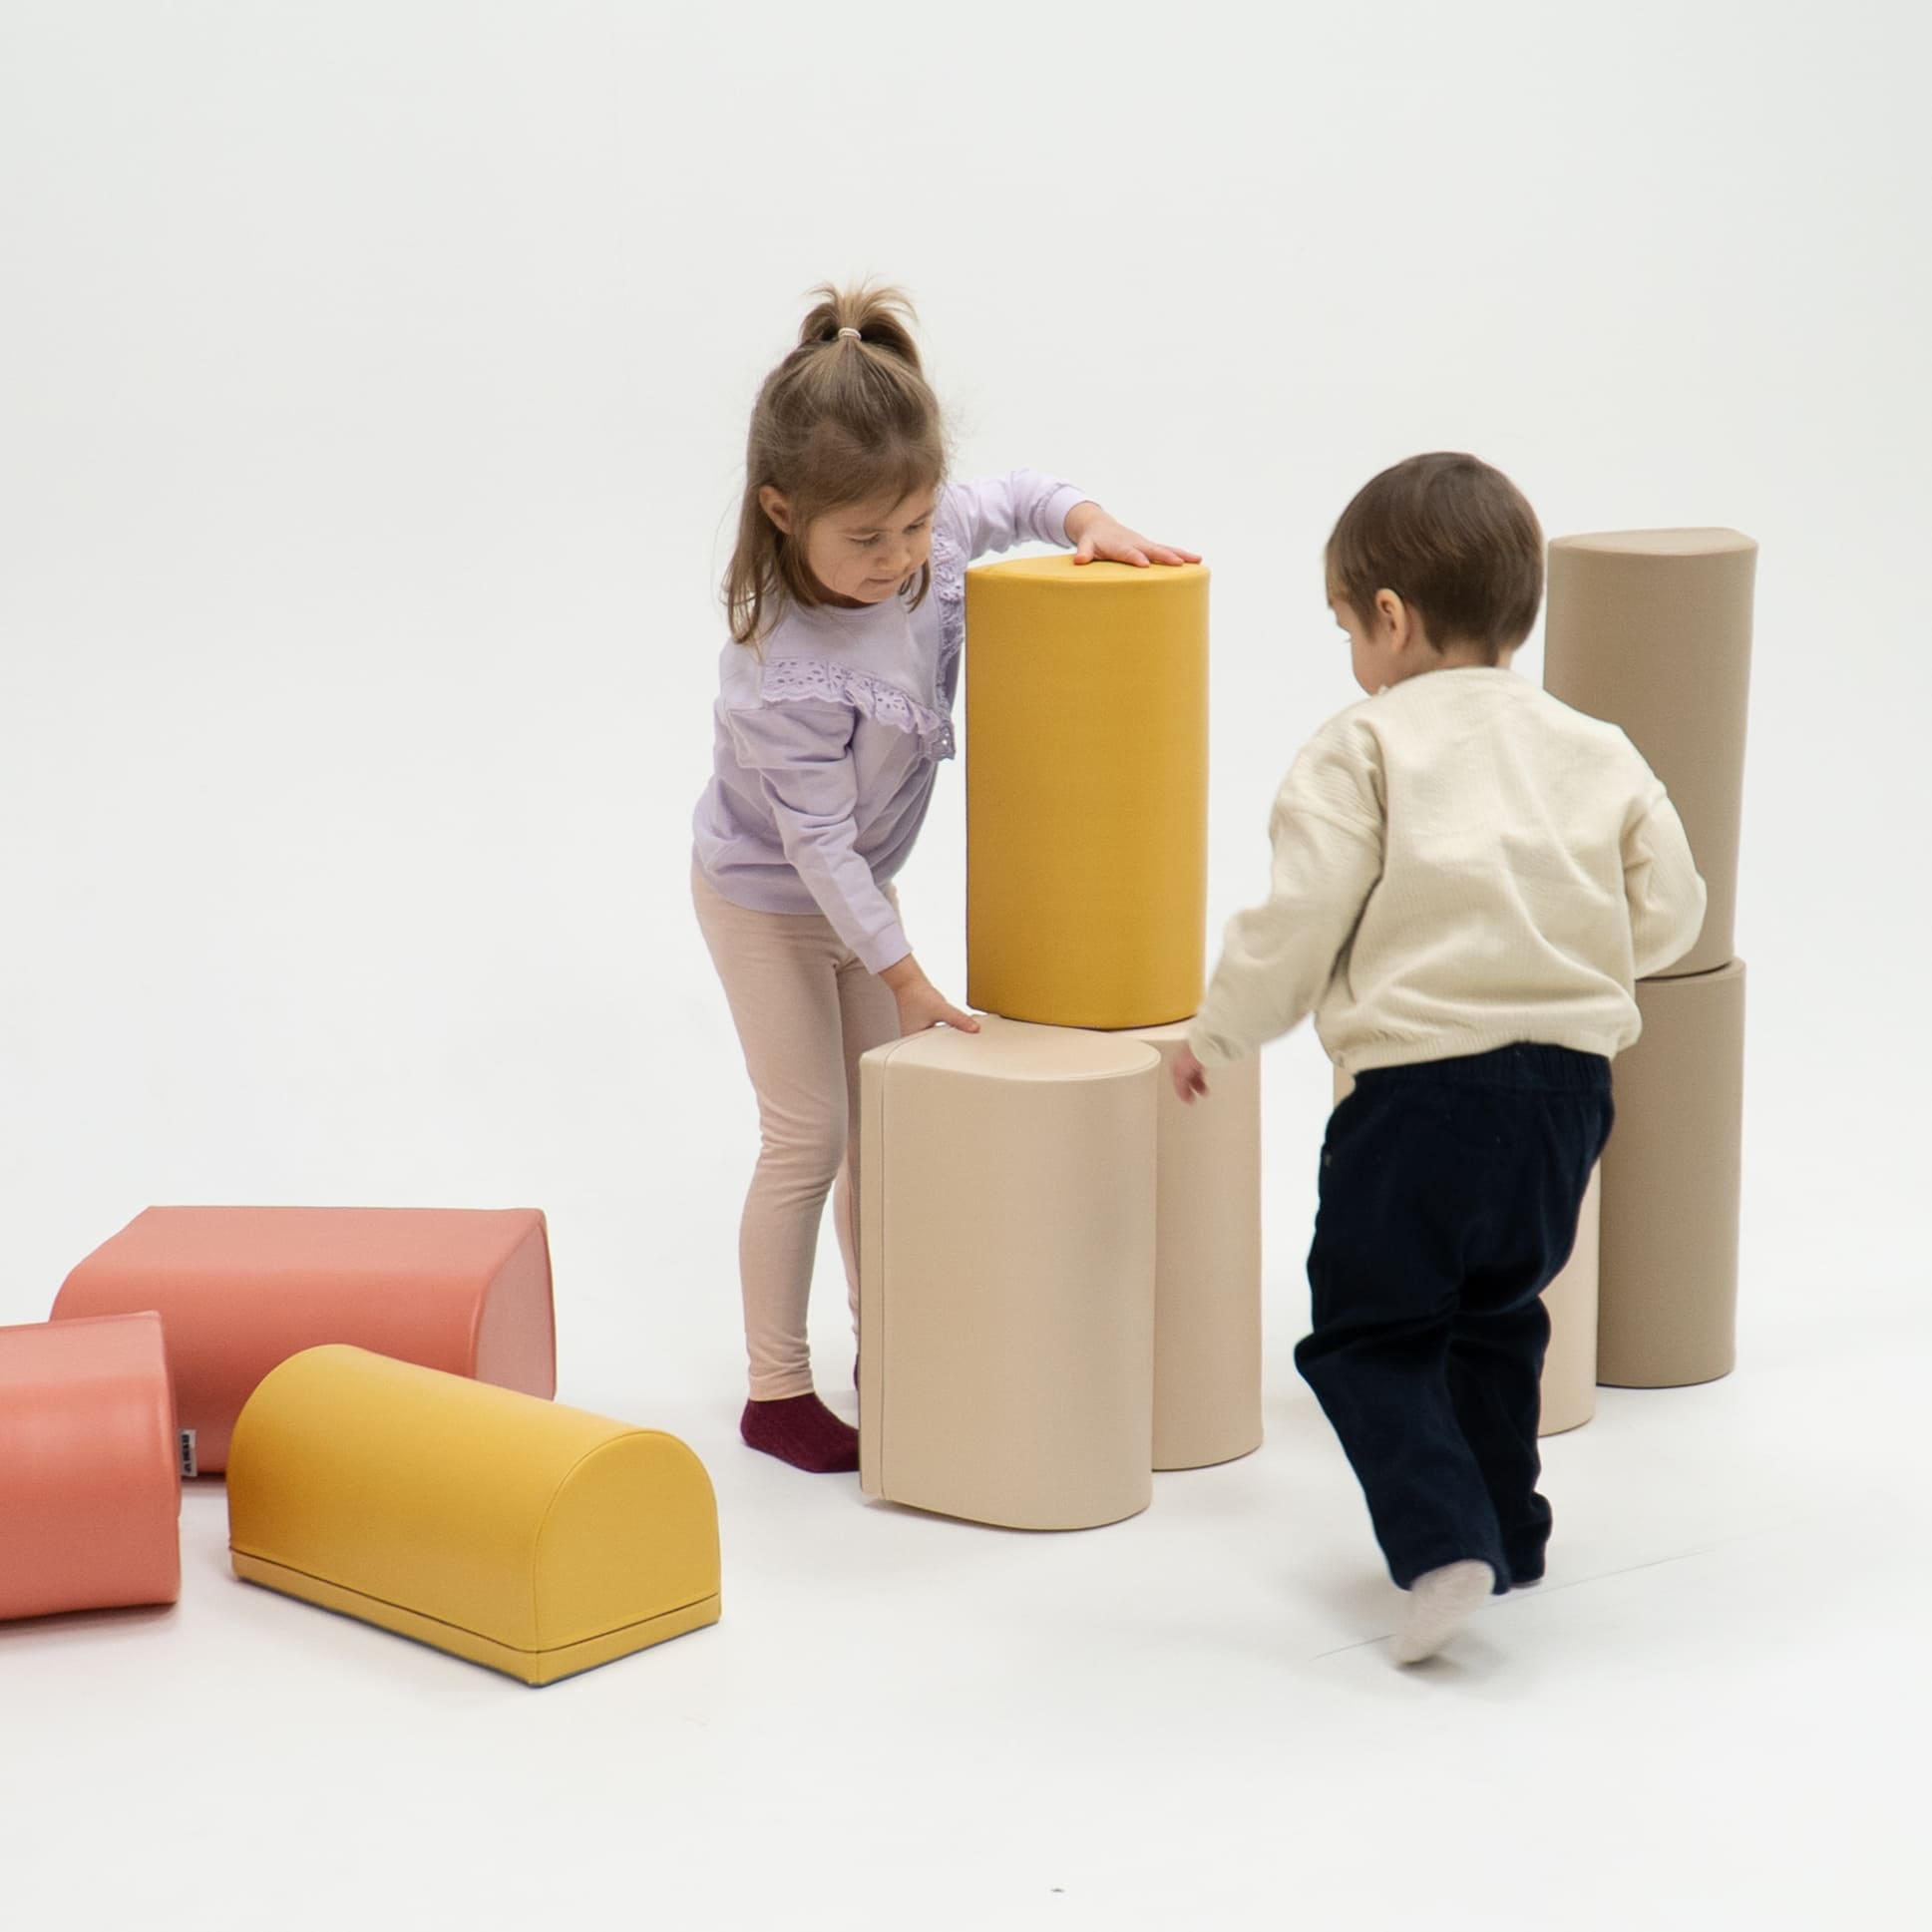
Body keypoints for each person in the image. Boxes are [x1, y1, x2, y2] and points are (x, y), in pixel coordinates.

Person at [1171, 453, 1706, 1663]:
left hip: (1419, 1092)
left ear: (1390, 616)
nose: (1352, 659)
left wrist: (1219, 1030)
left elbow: (1299, 918)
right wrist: (1573, 963)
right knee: (1495, 1313)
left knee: (1367, 1329)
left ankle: (1440, 1541)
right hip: (1569, 1091)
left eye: (1345, 631)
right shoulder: (1596, 747)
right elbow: (1671, 908)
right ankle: (1510, 1532)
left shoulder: (1360, 746)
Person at [693, 281, 1199, 1474]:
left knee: (888, 1131)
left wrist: (1090, 519)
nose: (899, 558)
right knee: (808, 1134)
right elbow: (815, 845)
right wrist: (905, 975)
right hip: (765, 902)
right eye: (866, 539)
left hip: (859, 896)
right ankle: (774, 1388)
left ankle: (892, 1350)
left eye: (915, 526)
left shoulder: (930, 539)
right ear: (781, 510)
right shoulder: (780, 664)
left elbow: (1017, 493)